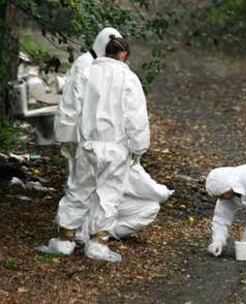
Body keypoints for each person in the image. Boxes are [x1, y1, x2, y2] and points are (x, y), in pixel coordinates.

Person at [38, 36, 150, 262]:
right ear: (124, 55)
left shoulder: (87, 72)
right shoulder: (129, 78)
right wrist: (139, 147)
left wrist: (66, 138)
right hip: (117, 148)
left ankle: (64, 240)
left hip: (88, 145)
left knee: (78, 189)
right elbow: (136, 117)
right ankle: (98, 244)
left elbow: (70, 107)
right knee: (108, 194)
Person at [53, 27, 122, 243]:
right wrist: (68, 134)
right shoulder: (85, 65)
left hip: (90, 134)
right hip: (81, 133)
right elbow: (72, 103)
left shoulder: (100, 67)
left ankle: (79, 230)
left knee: (86, 184)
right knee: (78, 183)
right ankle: (76, 231)